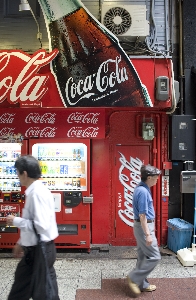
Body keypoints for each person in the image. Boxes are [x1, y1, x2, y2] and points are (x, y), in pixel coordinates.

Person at [6, 155, 60, 300]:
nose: (17, 177)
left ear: (25, 173)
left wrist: (15, 220)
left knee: (22, 290)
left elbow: (40, 226)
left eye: (18, 173)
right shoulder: (37, 190)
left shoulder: (36, 194)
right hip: (42, 249)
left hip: (38, 252)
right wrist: (20, 243)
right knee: (47, 290)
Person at [127, 164, 162, 297]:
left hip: (141, 226)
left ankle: (142, 284)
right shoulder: (143, 191)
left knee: (143, 256)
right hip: (144, 227)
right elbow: (142, 215)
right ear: (149, 177)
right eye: (155, 178)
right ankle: (133, 278)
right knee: (155, 256)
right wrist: (148, 234)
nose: (157, 180)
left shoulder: (141, 188)